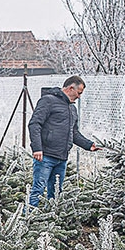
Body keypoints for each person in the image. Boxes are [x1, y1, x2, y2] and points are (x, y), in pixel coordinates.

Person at [26, 75, 100, 207]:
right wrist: (37, 148)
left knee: (56, 193)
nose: (79, 96)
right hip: (45, 156)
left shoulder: (72, 109)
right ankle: (27, 220)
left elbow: (74, 132)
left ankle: (51, 220)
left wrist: (89, 145)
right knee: (38, 190)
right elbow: (34, 124)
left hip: (62, 158)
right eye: (79, 93)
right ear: (71, 88)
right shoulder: (48, 101)